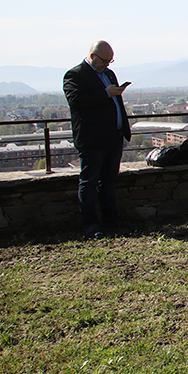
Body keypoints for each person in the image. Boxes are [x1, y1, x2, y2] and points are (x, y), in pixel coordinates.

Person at [63, 40, 132, 239]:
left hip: (113, 137)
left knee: (108, 182)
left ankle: (111, 221)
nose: (107, 65)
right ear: (93, 56)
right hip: (93, 140)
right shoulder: (75, 75)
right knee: (89, 182)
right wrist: (105, 94)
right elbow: (77, 102)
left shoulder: (109, 74)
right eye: (104, 61)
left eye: (110, 61)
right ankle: (90, 225)